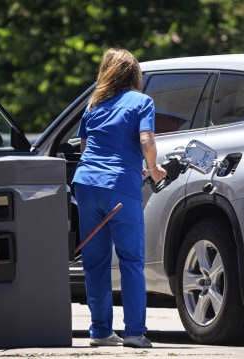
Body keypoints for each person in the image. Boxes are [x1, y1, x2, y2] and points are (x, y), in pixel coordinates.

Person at [72, 48, 167, 349]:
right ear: (134, 74)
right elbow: (146, 139)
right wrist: (153, 169)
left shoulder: (92, 105)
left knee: (95, 261)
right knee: (130, 259)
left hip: (86, 184)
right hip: (119, 188)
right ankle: (135, 333)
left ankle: (100, 331)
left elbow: (85, 145)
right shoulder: (142, 102)